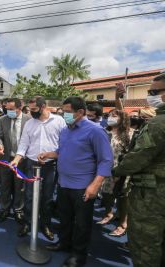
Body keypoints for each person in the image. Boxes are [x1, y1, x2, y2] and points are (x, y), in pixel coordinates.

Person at [38, 96, 113, 267]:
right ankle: (64, 243)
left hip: (83, 187)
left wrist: (95, 184)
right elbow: (62, 151)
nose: (64, 115)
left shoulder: (95, 131)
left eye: (68, 112)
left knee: (82, 223)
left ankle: (78, 255)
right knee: (65, 217)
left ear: (80, 112)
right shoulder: (65, 130)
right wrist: (50, 154)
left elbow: (106, 160)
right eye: (63, 112)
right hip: (64, 183)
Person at [112, 73, 165, 267]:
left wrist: (115, 172)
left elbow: (137, 159)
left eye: (153, 92)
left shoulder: (158, 124)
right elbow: (122, 115)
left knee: (146, 245)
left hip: (152, 195)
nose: (150, 96)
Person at [11, 96, 66, 239]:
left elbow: (64, 144)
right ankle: (28, 223)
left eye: (34, 109)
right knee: (29, 196)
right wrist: (17, 159)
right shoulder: (30, 123)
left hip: (50, 165)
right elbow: (23, 144)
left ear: (43, 106)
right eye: (30, 109)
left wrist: (52, 155)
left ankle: (46, 224)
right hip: (31, 163)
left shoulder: (59, 121)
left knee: (47, 196)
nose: (31, 112)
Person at [0, 98, 31, 230]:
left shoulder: (29, 120)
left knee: (19, 187)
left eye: (11, 109)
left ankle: (18, 210)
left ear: (19, 107)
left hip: (22, 160)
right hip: (5, 159)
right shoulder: (2, 119)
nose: (8, 112)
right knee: (4, 185)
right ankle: (4, 209)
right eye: (7, 109)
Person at [97, 109, 132, 238]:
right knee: (106, 195)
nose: (111, 117)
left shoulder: (129, 134)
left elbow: (130, 156)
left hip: (121, 172)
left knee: (123, 199)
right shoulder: (104, 132)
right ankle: (109, 214)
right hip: (105, 170)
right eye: (110, 115)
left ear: (122, 119)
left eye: (115, 116)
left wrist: (121, 172)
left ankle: (123, 223)